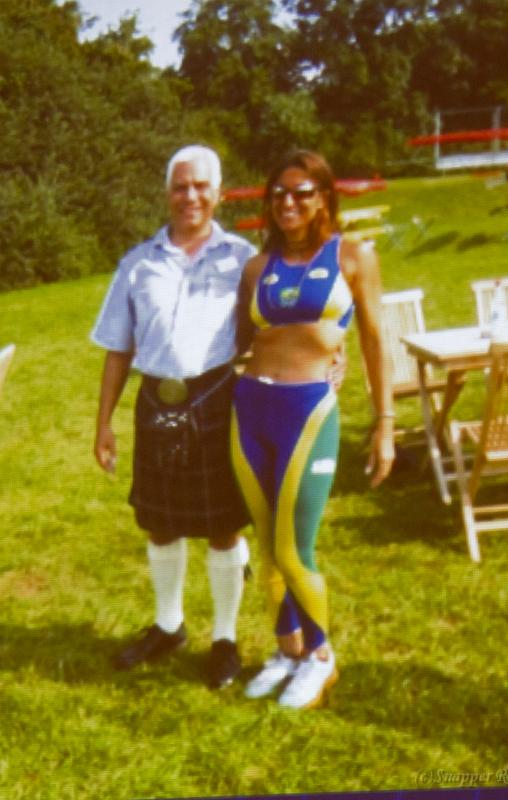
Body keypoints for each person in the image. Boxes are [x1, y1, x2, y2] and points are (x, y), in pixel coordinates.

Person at [230, 149, 395, 709]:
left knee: (293, 547)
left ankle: (321, 658)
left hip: (309, 412)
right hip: (250, 409)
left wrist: (385, 423)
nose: (289, 202)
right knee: (267, 546)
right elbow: (238, 342)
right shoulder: (257, 267)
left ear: (324, 197)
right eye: (279, 192)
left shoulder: (353, 256)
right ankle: (288, 651)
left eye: (302, 192)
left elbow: (374, 340)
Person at [92, 145, 257, 688]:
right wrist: (103, 424)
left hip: (218, 399)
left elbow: (282, 325)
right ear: (167, 193)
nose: (190, 196)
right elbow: (118, 347)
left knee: (223, 527)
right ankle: (168, 627)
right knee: (160, 524)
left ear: (220, 194)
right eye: (180, 186)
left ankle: (225, 639)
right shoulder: (138, 263)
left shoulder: (244, 259)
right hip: (155, 402)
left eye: (201, 186)